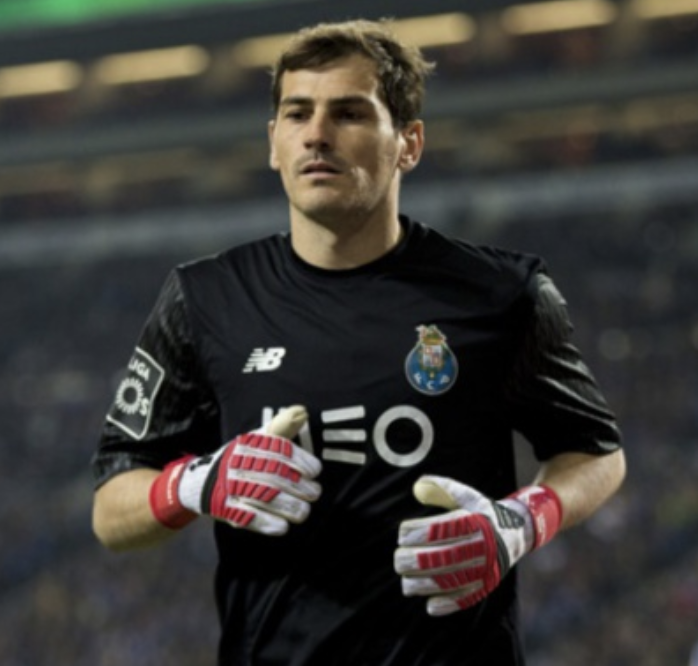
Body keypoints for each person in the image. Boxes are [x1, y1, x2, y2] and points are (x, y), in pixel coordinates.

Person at [91, 18, 626, 666]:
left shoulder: (502, 293)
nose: (317, 134)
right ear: (273, 142)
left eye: (348, 113)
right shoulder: (204, 298)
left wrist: (522, 520)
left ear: (409, 143)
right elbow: (111, 507)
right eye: (298, 114)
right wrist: (193, 485)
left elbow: (597, 453)